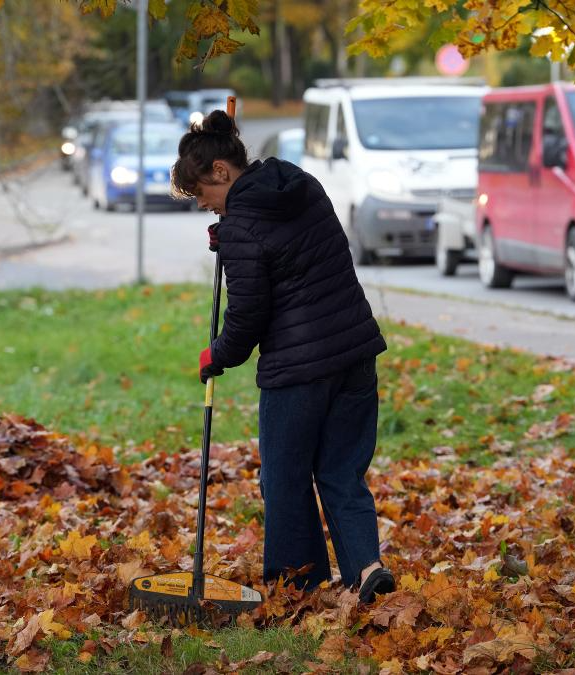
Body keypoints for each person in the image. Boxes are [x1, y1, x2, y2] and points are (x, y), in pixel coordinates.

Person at [171, 110, 396, 603]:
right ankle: (367, 568)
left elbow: (248, 315)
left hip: (298, 372)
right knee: (340, 471)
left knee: (286, 479)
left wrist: (217, 355)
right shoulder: (298, 181)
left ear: (221, 172)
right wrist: (232, 237)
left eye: (202, 193)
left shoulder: (240, 228)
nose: (204, 205)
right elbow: (290, 245)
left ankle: (296, 588)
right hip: (355, 351)